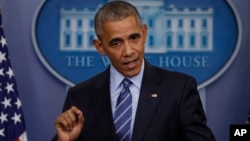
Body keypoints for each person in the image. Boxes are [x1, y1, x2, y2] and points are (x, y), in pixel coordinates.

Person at [52, 1, 215, 141]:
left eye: (134, 38)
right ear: (100, 47)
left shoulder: (179, 89)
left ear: (144, 33)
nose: (129, 51)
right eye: (116, 43)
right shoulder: (80, 96)